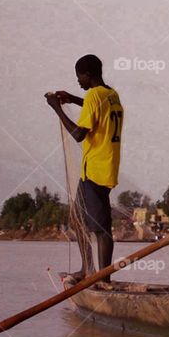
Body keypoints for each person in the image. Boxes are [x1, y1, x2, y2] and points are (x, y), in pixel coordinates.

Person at [46, 54, 123, 284]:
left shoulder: (93, 96)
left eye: (79, 77)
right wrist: (72, 99)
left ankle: (102, 279)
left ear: (87, 75)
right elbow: (96, 108)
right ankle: (88, 270)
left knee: (100, 228)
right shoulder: (111, 94)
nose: (78, 81)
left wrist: (56, 109)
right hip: (104, 167)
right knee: (79, 217)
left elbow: (79, 134)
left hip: (95, 170)